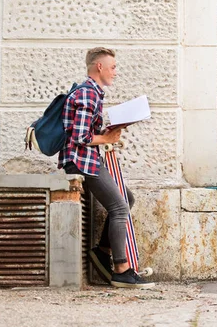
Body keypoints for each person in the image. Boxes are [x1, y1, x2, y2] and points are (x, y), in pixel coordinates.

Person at [58, 47, 154, 289]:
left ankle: (102, 251)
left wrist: (104, 133)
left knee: (126, 199)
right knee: (120, 207)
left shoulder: (91, 93)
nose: (116, 72)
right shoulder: (88, 93)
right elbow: (80, 137)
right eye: (113, 67)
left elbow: (83, 132)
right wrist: (107, 139)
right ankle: (121, 269)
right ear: (99, 67)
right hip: (81, 161)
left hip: (87, 158)